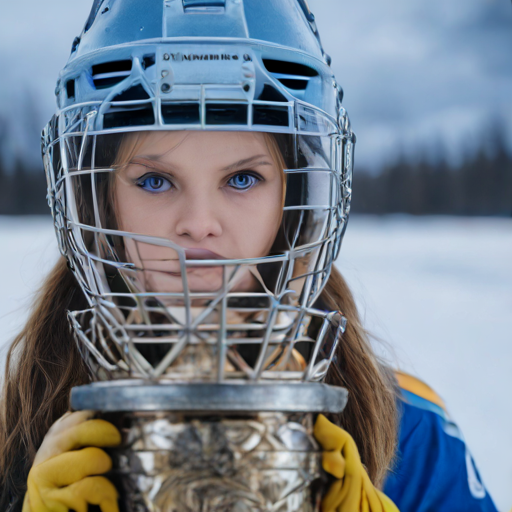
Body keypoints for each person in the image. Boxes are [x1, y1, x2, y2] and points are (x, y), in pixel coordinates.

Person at [0, 1, 497, 511]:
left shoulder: (410, 430)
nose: (199, 222)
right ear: (100, 202)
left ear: (293, 199)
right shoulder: (21, 422)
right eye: (154, 181)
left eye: (242, 179)